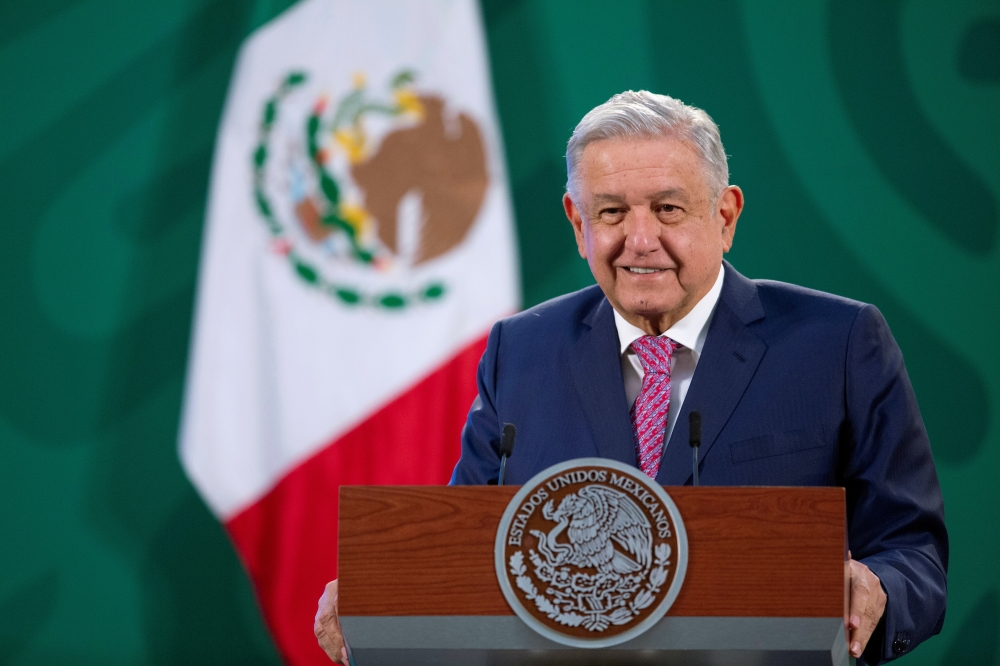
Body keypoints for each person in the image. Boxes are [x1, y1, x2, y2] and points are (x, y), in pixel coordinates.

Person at [316, 91, 948, 665]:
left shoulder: (836, 343)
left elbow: (912, 550)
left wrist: (877, 589)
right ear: (576, 223)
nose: (639, 240)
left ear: (725, 217)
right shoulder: (522, 350)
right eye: (612, 212)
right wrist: (384, 594)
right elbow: (466, 552)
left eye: (668, 209)